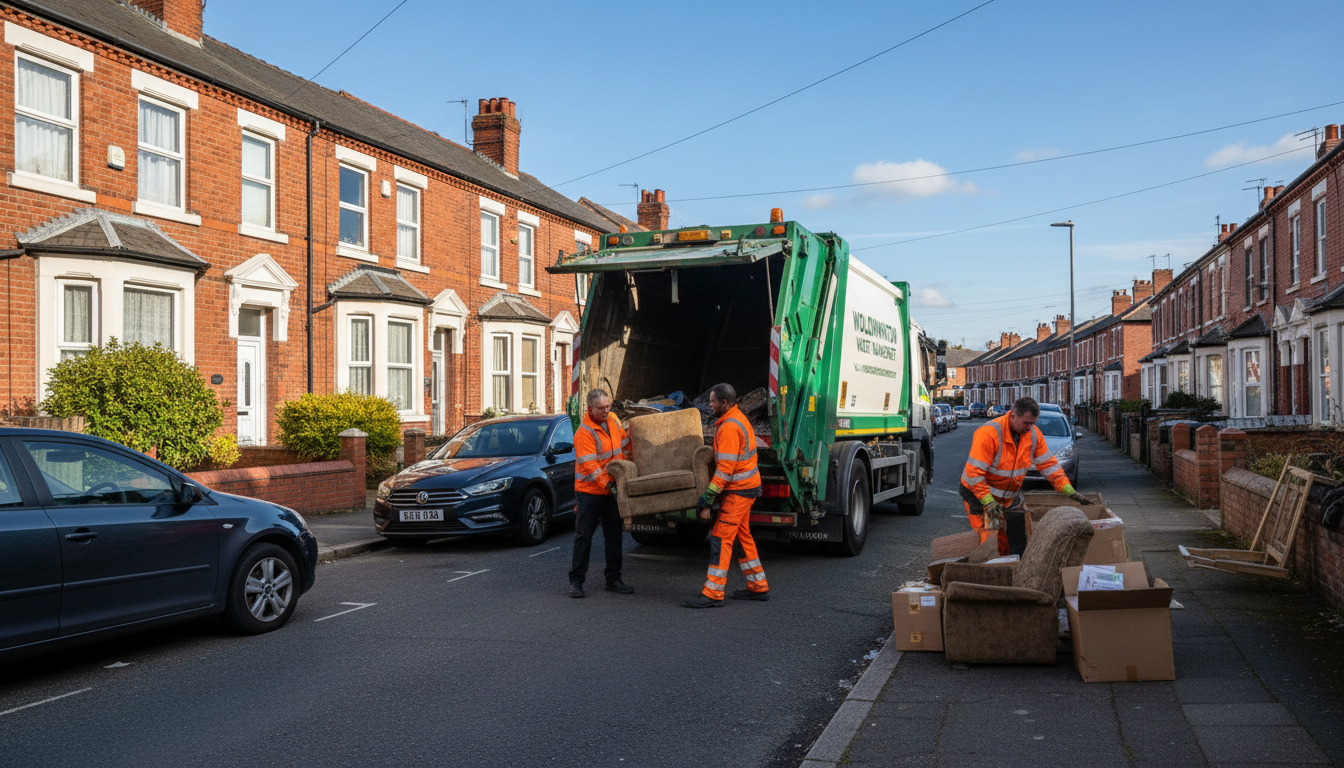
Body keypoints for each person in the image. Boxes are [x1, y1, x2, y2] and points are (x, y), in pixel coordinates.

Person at [959, 396, 1092, 556]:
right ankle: (990, 566)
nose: (1029, 427)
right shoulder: (989, 433)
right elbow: (974, 474)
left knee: (1013, 533)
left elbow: (1048, 465)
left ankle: (1009, 563)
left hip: (1004, 495)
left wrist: (1068, 489)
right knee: (990, 534)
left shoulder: (1033, 434)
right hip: (977, 494)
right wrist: (989, 503)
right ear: (1013, 415)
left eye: (1032, 423)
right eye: (1026, 423)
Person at [686, 383, 770, 608]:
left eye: (713, 402)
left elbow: (725, 469)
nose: (710, 406)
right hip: (746, 487)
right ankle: (758, 585)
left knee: (720, 537)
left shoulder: (729, 427)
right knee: (742, 536)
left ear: (724, 403)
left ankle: (713, 592)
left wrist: (709, 495)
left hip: (739, 490)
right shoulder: (737, 419)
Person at [569, 389, 634, 598]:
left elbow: (624, 444)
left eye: (608, 406)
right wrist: (609, 485)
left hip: (611, 489)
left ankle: (614, 579)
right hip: (589, 492)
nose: (606, 411)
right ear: (590, 409)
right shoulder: (584, 433)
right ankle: (576, 582)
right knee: (584, 537)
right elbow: (590, 466)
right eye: (601, 408)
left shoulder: (613, 420)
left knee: (614, 537)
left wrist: (630, 467)